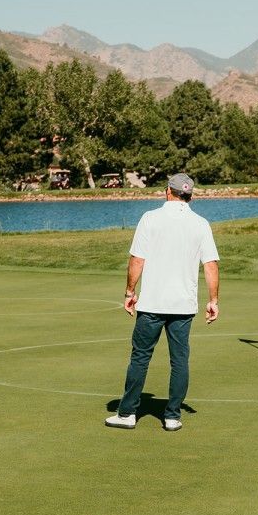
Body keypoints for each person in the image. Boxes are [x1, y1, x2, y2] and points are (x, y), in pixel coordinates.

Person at [105, 173, 220, 432]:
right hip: (183, 306)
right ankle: (172, 416)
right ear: (189, 195)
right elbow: (211, 265)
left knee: (140, 358)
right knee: (179, 361)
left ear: (168, 191)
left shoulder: (150, 218)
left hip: (152, 305)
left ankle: (127, 414)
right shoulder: (201, 223)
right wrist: (213, 300)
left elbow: (137, 260)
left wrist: (129, 292)